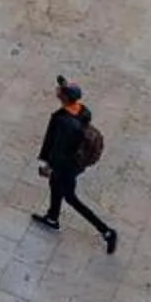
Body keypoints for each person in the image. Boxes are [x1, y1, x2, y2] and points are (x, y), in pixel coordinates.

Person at [33, 77, 117, 252]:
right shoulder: (81, 110)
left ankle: (107, 231)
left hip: (66, 166)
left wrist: (49, 166)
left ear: (64, 97)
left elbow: (58, 148)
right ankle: (52, 217)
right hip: (75, 163)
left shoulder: (63, 121)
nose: (58, 90)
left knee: (70, 198)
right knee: (55, 184)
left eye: (61, 90)